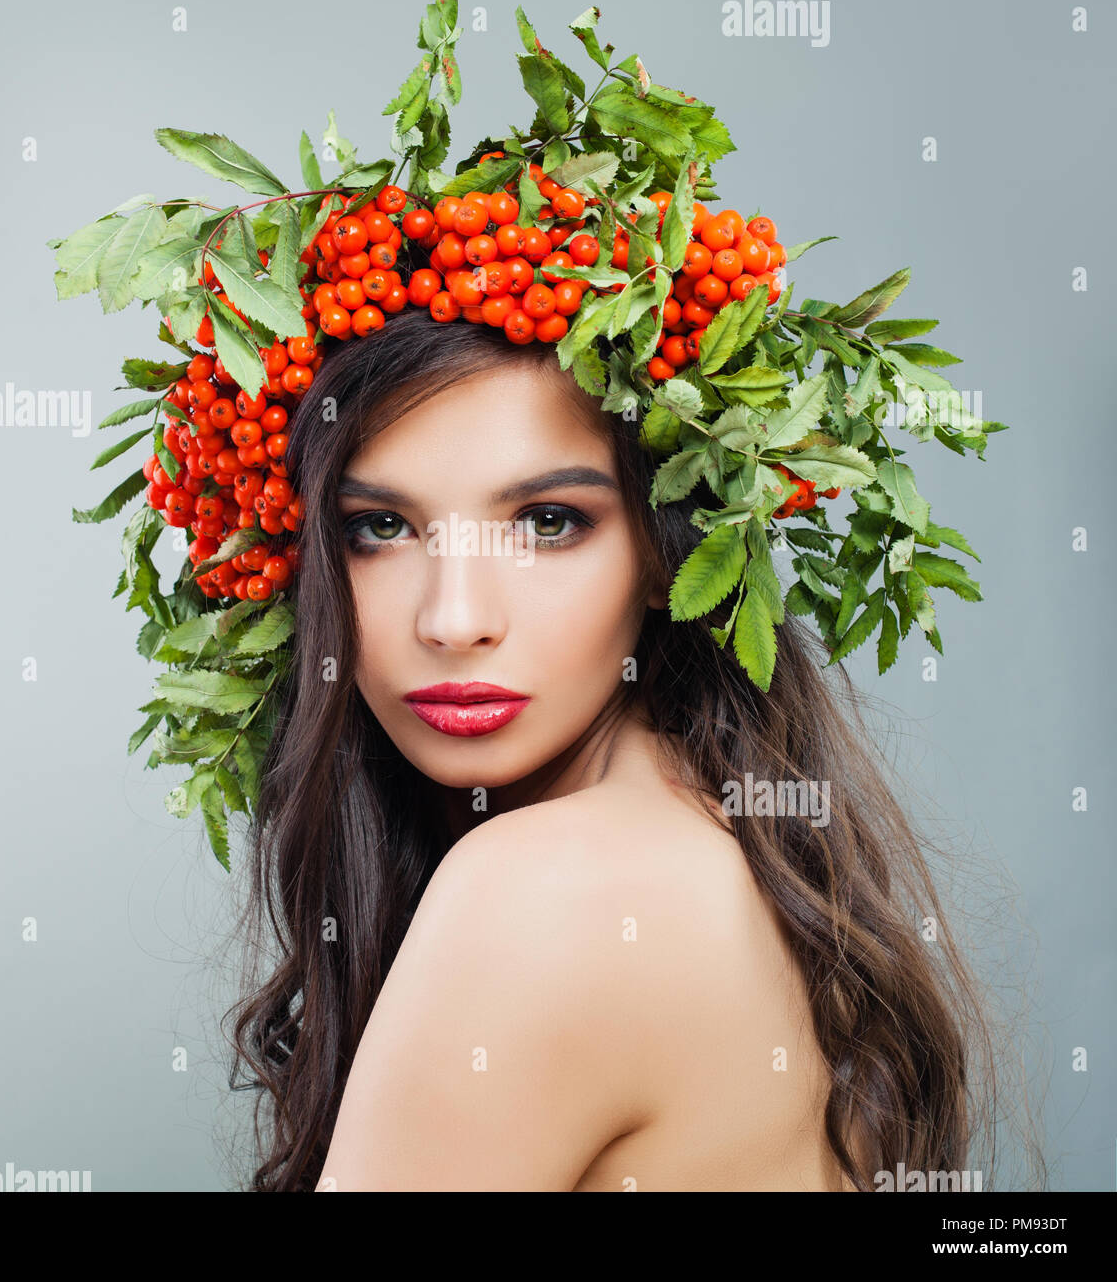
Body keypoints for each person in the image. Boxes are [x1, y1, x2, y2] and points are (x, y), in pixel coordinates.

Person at [226, 304, 998, 1192]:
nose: (454, 620)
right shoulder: (736, 846)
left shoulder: (546, 889)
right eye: (381, 528)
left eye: (548, 521)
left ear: (672, 552)